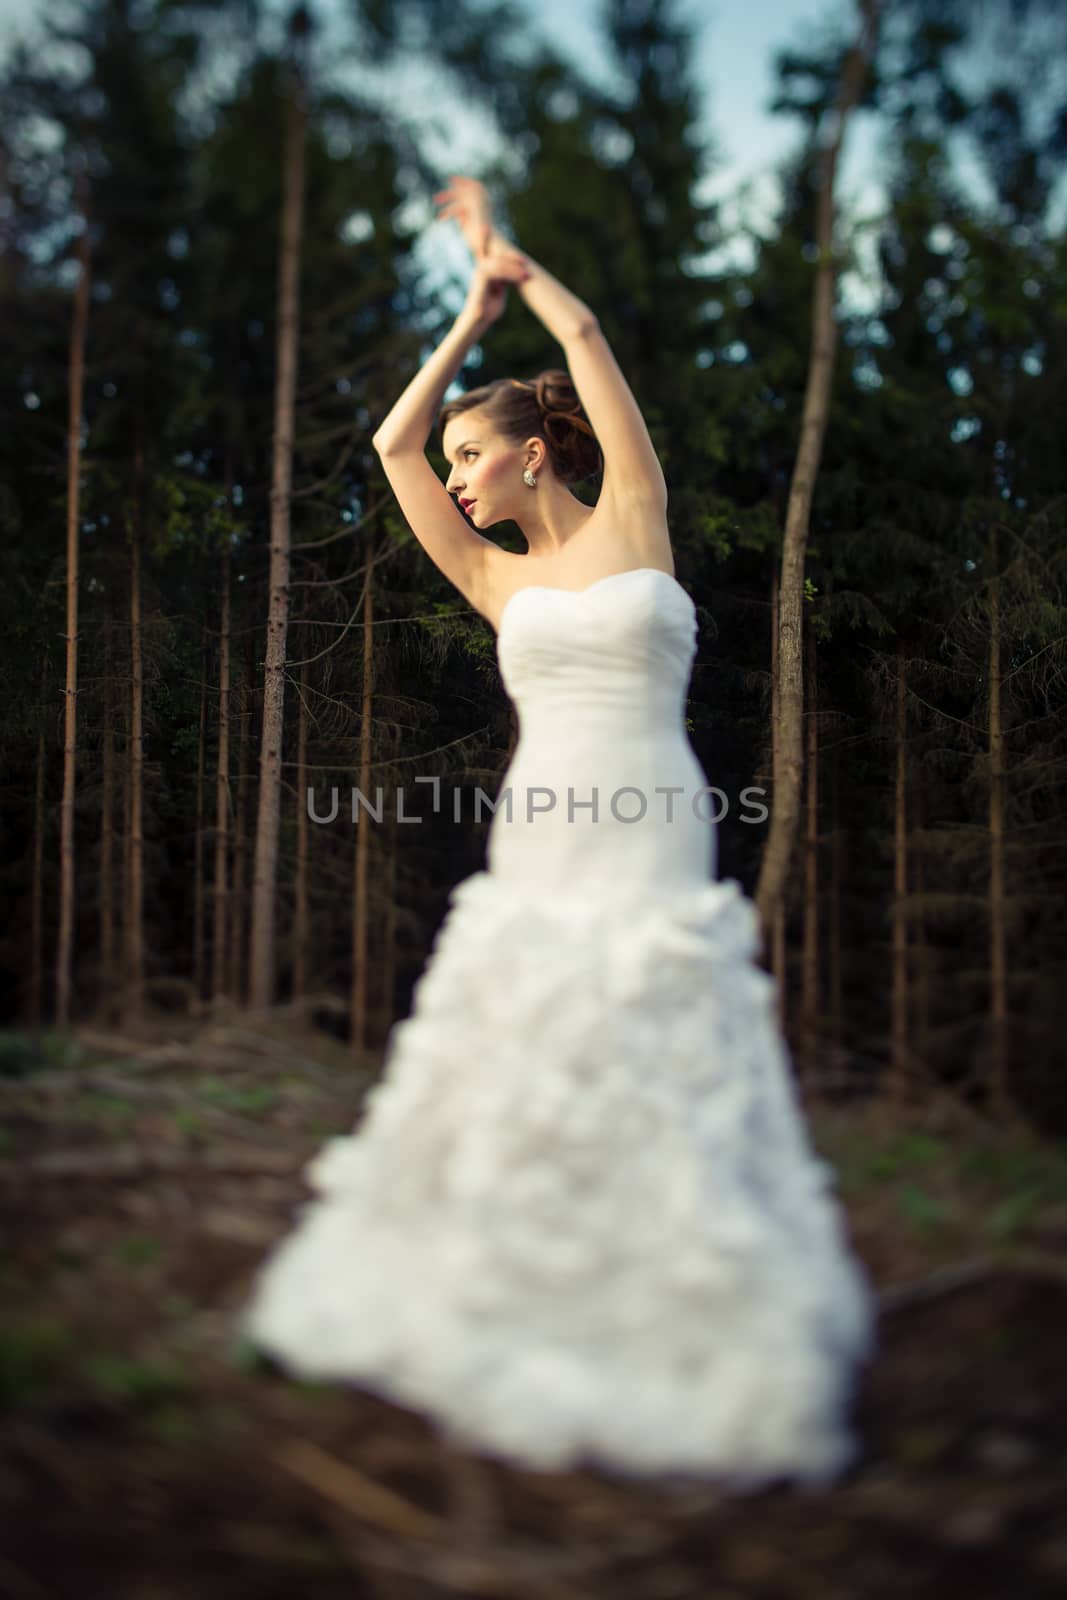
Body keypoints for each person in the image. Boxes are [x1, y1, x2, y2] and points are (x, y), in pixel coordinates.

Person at [235, 175, 876, 1491]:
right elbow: (391, 451)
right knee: (532, 1041)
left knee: (646, 1032)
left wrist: (523, 276)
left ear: (537, 451)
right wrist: (465, 316)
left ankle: (671, 1304)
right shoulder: (492, 577)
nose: (460, 481)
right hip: (544, 823)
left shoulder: (637, 521)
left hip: (652, 818)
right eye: (461, 464)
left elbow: (588, 349)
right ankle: (507, 1288)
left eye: (481, 458)